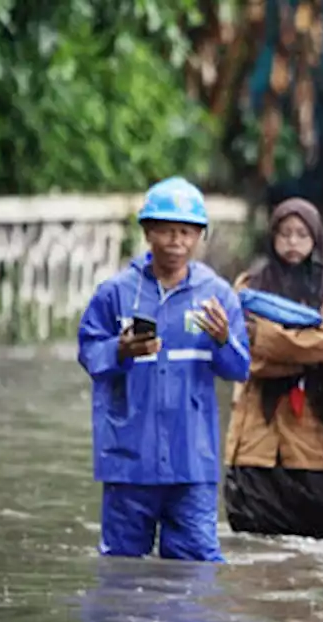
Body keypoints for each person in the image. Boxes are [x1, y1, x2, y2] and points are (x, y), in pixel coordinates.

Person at [77, 177, 250, 562]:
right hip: (128, 459)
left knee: (194, 571)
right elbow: (89, 354)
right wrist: (119, 349)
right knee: (121, 568)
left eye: (186, 232)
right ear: (147, 232)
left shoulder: (218, 295)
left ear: (199, 237)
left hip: (191, 460)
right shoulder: (115, 293)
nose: (176, 242)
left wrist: (224, 339)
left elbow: (240, 369)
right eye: (167, 231)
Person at [224, 198, 323, 539]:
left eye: (301, 234)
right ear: (272, 237)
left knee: (317, 549)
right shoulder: (249, 285)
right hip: (256, 438)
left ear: (315, 238)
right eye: (284, 233)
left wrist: (265, 336)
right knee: (252, 544)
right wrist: (297, 344)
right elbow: (237, 346)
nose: (293, 242)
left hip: (316, 438)